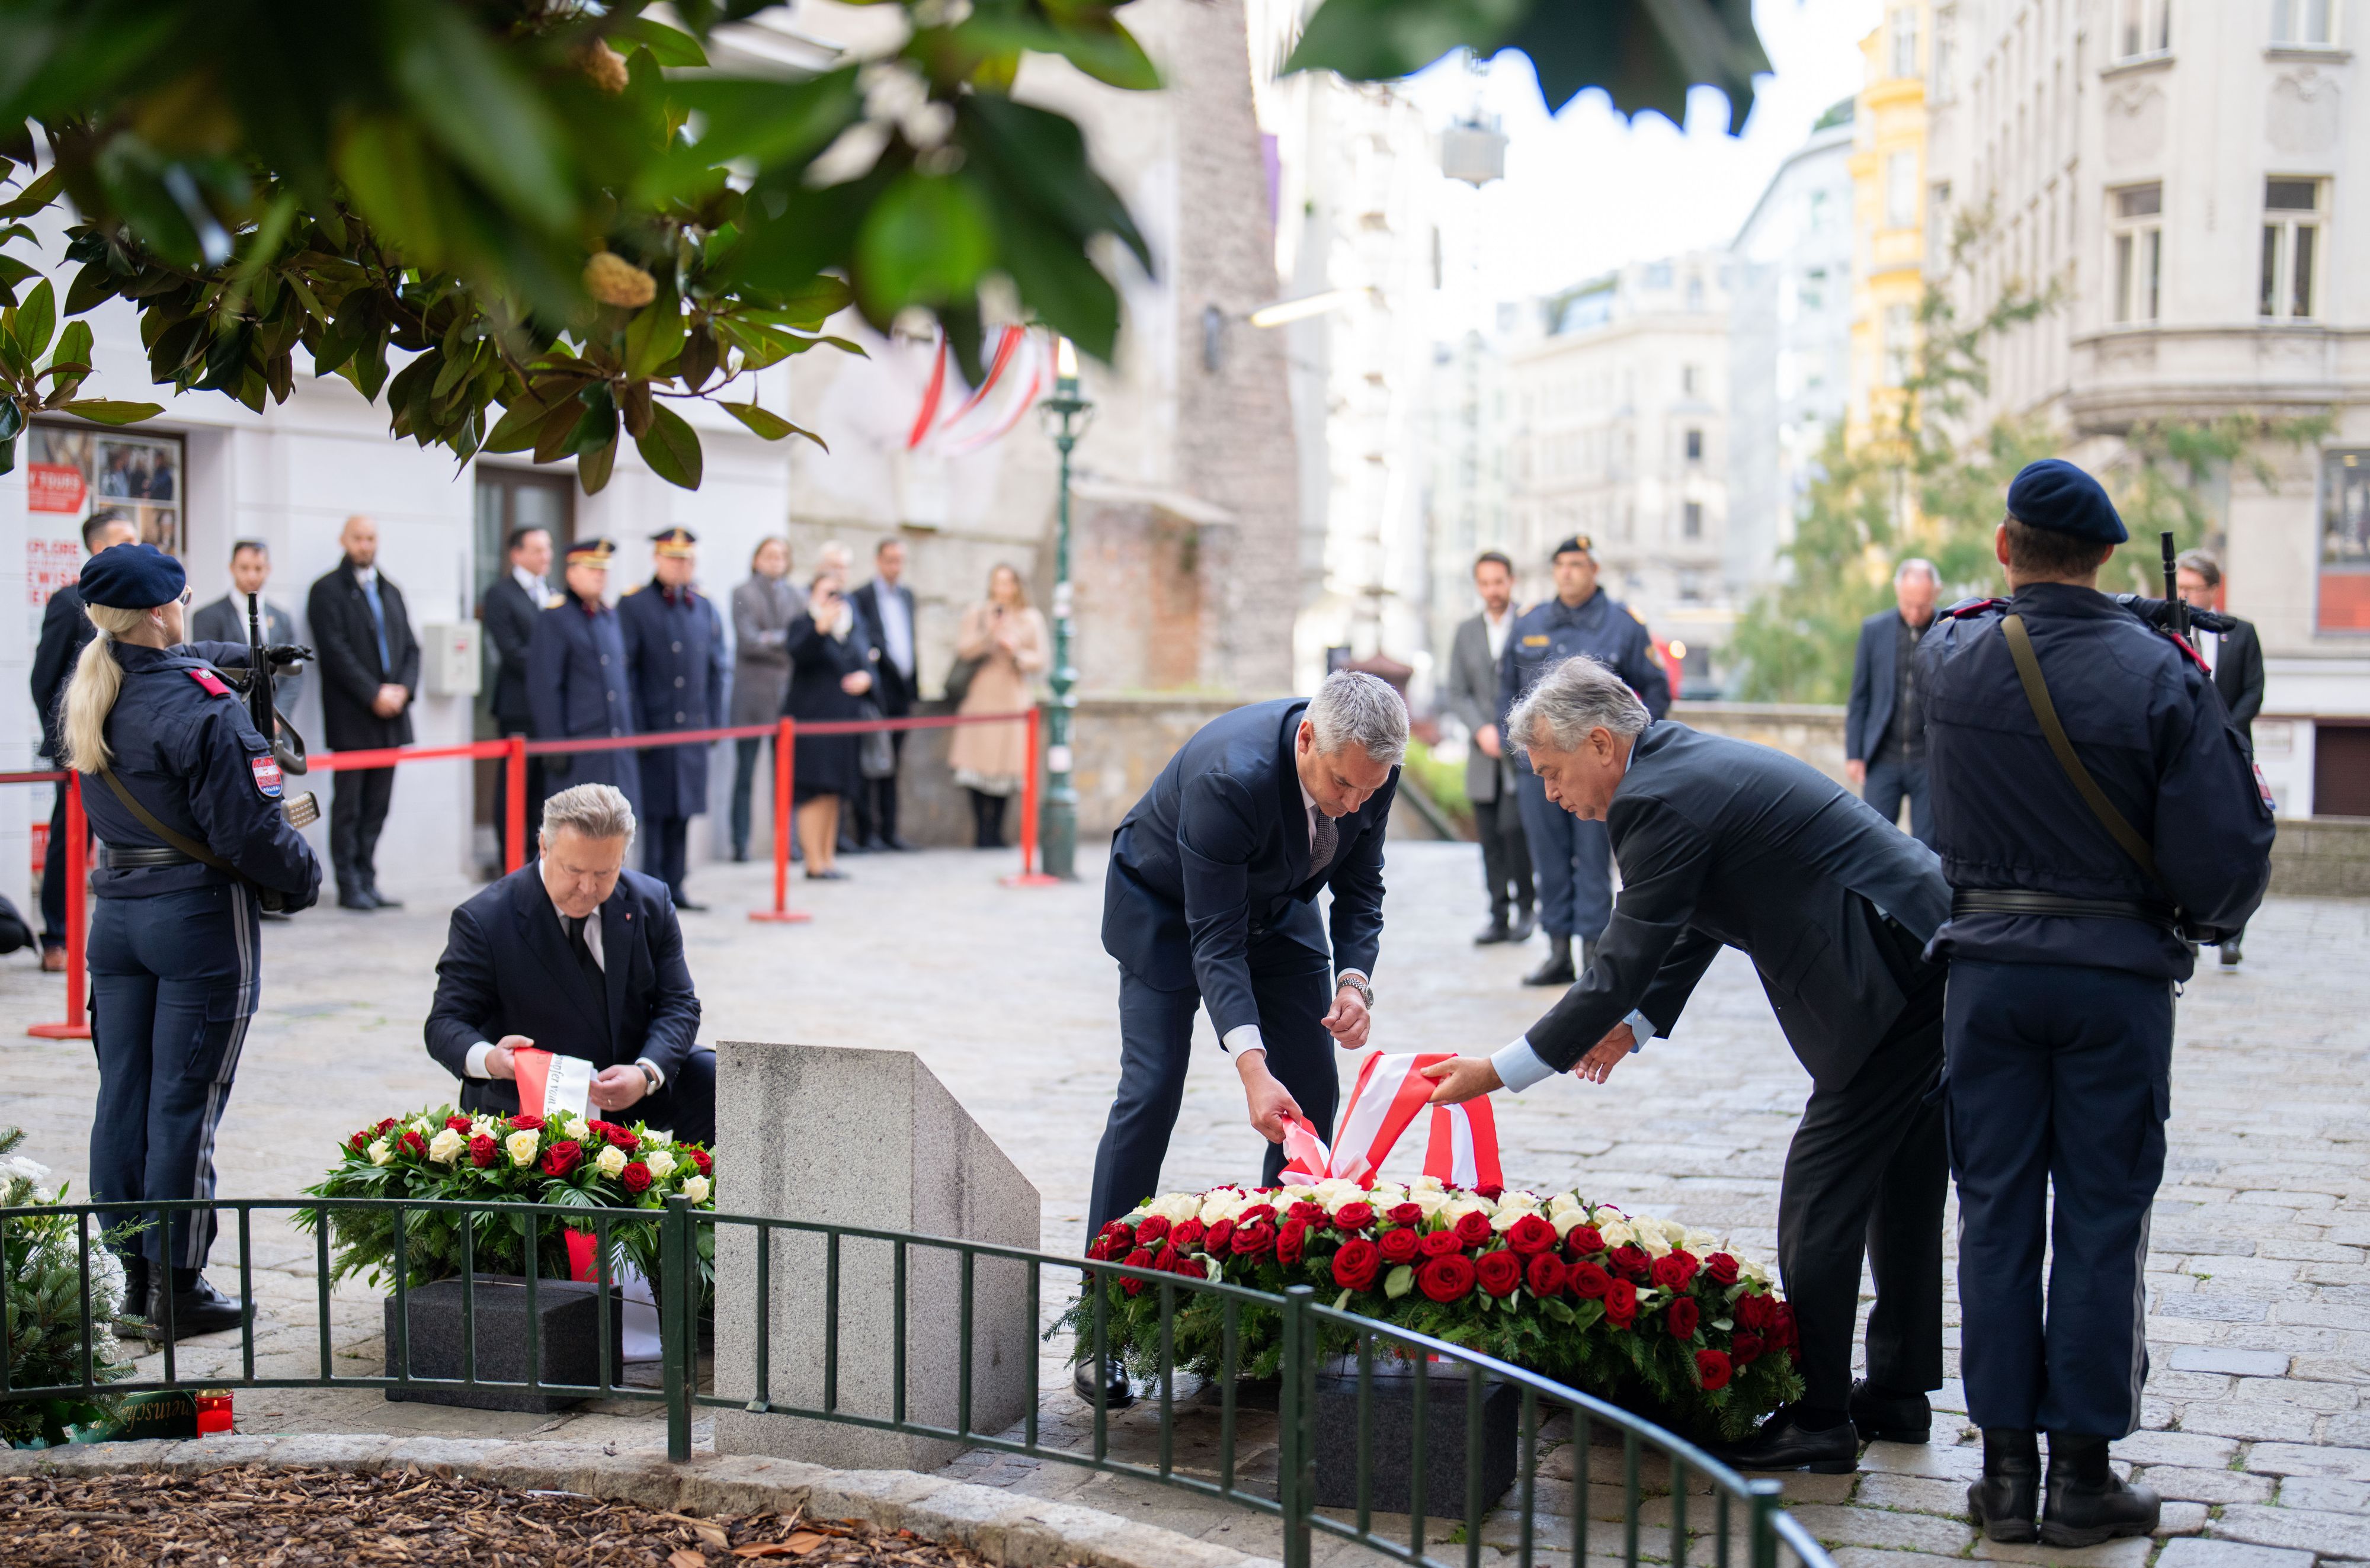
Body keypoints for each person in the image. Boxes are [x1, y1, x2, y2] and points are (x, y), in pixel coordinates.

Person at [1423, 654, 1952, 1476]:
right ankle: (1896, 1391)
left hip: (1884, 972)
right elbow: (1701, 910)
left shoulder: (1654, 797)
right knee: (1904, 1173)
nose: (1555, 795)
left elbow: (1617, 962)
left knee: (1821, 1191)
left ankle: (1819, 1417)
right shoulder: (1679, 766)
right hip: (1915, 949)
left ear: (1601, 742)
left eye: (1556, 773)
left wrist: (1499, 1069)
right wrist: (1634, 1023)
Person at [1920, 460, 2272, 1547]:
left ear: (2002, 543)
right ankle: (2081, 1474)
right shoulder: (2165, 672)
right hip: (2115, 977)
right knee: (2103, 1215)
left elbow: (2001, 640)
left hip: (1984, 973)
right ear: (2112, 555)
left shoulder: (1951, 654)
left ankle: (2005, 1475)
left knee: (1994, 1213)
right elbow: (2225, 863)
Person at [1082, 670, 1405, 1407]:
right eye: (1342, 786)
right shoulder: (1231, 778)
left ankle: (1275, 1313)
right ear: (1306, 739)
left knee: (1313, 1094)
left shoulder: (1370, 768)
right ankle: (1100, 1323)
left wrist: (1354, 981)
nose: (1354, 802)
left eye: (1367, 790)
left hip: (1279, 905)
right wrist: (1252, 1066)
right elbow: (1214, 940)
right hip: (1168, 907)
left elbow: (1362, 886)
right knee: (1153, 1086)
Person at [63, 543, 322, 1336]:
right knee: (185, 1104)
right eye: (180, 598)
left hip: (118, 917)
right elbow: (250, 833)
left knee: (125, 1096)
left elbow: (176, 659)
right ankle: (179, 1288)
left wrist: (246, 657)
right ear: (159, 612)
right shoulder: (206, 712)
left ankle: (133, 1280)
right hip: (196, 919)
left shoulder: (90, 682)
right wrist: (304, 875)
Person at [424, 783, 712, 1147]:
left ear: (623, 857)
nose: (588, 887)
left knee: (712, 1077)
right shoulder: (485, 919)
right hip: (530, 1097)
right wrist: (494, 1060)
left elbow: (679, 1004)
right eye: (574, 870)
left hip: (627, 1083)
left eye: (605, 872)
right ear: (544, 845)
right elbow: (444, 1023)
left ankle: (690, 1198)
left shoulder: (651, 902)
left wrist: (646, 1073)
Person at [1497, 536, 1671, 986]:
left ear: (1594, 570)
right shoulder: (1530, 621)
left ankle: (1594, 950)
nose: (1568, 572)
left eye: (1577, 564)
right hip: (1542, 772)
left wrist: (1633, 754)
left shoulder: (1622, 624)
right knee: (1549, 858)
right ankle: (1558, 951)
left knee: (1594, 859)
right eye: (1561, 565)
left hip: (1598, 771)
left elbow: (1654, 692)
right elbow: (1506, 692)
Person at [32, 510, 140, 970]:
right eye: (126, 540)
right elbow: (45, 681)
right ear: (100, 549)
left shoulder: (141, 604)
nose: (138, 548)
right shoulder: (69, 602)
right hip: (83, 749)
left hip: (133, 747)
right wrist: (71, 739)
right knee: (69, 840)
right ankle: (56, 935)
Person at [306, 515, 420, 911]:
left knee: (378, 806)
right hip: (354, 716)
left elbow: (411, 648)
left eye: (371, 537)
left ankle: (368, 878)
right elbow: (335, 653)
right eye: (358, 538)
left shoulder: (391, 590)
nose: (365, 545)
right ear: (344, 540)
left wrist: (402, 691)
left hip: (391, 717)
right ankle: (349, 883)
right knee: (350, 806)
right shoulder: (326, 591)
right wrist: (373, 693)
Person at [619, 527, 728, 910]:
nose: (683, 566)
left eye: (688, 560)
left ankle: (677, 885)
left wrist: (715, 721)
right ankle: (651, 888)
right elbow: (627, 672)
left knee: (683, 811)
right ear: (658, 559)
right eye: (675, 559)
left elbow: (718, 669)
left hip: (693, 728)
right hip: (655, 727)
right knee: (654, 811)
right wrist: (637, 727)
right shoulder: (635, 605)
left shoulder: (703, 605)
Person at [2176, 549, 2265, 970]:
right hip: (2182, 753)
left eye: (2194, 588)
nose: (2187, 596)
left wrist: (2224, 730)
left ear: (2213, 589)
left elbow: (2253, 690)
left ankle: (2232, 935)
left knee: (2235, 837)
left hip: (2229, 752)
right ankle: (2188, 929)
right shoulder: (2163, 632)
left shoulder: (2241, 633)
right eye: (2180, 588)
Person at [1443, 550, 1534, 944]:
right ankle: (1498, 913)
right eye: (1485, 583)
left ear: (1511, 581)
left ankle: (1527, 907)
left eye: (1499, 581)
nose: (1492, 590)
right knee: (1490, 838)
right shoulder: (1465, 632)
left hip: (1522, 750)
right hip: (1482, 753)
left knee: (1515, 829)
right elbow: (1457, 691)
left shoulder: (1530, 625)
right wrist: (1480, 729)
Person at [529, 539, 640, 813]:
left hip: (615, 748)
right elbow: (545, 688)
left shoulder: (609, 616)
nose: (599, 575)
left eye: (603, 569)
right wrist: (555, 745)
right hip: (579, 749)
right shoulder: (556, 618)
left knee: (615, 832)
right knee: (580, 834)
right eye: (591, 568)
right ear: (571, 572)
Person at [947, 564, 1048, 849]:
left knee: (1007, 765)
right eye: (997, 583)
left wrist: (1015, 650)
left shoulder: (1030, 619)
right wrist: (989, 635)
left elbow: (1040, 659)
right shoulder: (978, 613)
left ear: (1017, 586)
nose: (1002, 589)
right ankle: (982, 831)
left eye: (1008, 583)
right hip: (981, 697)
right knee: (977, 764)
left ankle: (998, 832)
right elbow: (964, 650)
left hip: (1013, 697)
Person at [782, 566, 873, 880]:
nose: (834, 600)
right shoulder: (805, 624)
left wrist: (867, 679)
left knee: (835, 793)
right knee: (813, 793)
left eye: (838, 594)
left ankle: (828, 858)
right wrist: (819, 627)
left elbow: (867, 662)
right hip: (811, 725)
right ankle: (814, 862)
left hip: (843, 727)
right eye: (827, 593)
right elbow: (798, 653)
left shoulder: (849, 628)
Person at [1845, 559, 1940, 845]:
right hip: (1882, 758)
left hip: (1930, 760)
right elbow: (1860, 695)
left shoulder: (1949, 629)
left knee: (1929, 847)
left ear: (1937, 592)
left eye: (1922, 606)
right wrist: (1854, 753)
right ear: (1897, 590)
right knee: (1875, 842)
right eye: (1908, 604)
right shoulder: (1874, 630)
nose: (1914, 613)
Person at [482, 525, 560, 863]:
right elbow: (511, 651)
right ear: (517, 554)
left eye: (548, 548)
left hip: (550, 709)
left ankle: (539, 855)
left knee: (545, 790)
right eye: (538, 549)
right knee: (516, 787)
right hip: (518, 706)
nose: (547, 556)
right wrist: (555, 665)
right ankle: (511, 858)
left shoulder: (553, 593)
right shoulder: (501, 594)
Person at [729, 538, 798, 862]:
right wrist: (781, 641)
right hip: (751, 698)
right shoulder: (743, 593)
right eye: (770, 555)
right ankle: (740, 843)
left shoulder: (797, 595)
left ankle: (787, 843)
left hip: (784, 697)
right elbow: (749, 642)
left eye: (782, 556)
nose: (776, 561)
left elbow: (800, 639)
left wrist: (773, 639)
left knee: (784, 776)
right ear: (757, 559)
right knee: (745, 773)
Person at [852, 538, 919, 852]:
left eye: (900, 560)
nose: (895, 566)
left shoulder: (907, 596)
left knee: (894, 764)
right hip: (878, 692)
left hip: (903, 692)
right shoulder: (862, 596)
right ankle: (869, 833)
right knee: (872, 762)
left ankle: (891, 830)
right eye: (890, 560)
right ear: (879, 561)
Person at [191, 540, 303, 714]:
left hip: (277, 722)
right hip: (231, 717)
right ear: (232, 568)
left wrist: (276, 714)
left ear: (268, 569)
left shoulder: (281, 618)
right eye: (244, 568)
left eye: (258, 568)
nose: (252, 576)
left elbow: (293, 675)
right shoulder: (208, 617)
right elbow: (208, 672)